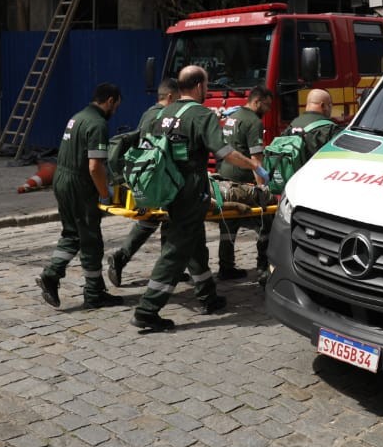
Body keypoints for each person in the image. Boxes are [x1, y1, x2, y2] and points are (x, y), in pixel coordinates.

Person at [131, 65, 267, 332]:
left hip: (168, 186)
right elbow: (225, 152)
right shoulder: (202, 115)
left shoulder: (164, 112)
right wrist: (254, 166)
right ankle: (147, 309)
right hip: (191, 190)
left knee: (194, 242)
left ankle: (208, 296)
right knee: (177, 249)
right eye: (207, 84)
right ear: (198, 86)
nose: (208, 89)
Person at [36, 82, 125, 310]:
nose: (115, 112)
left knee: (72, 234)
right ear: (110, 101)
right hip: (80, 185)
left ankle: (74, 283)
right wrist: (105, 194)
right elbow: (95, 167)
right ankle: (82, 289)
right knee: (90, 239)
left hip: (62, 179)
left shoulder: (77, 117)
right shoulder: (97, 124)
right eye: (116, 107)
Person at [259, 87, 339, 284]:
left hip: (290, 190)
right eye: (329, 106)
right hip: (316, 195)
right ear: (323, 106)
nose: (330, 110)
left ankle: (266, 269)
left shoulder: (292, 125)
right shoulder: (329, 129)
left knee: (281, 230)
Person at [106, 77, 179, 288]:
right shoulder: (165, 116)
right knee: (169, 220)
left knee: (151, 220)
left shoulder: (148, 112)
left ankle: (123, 257)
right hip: (160, 176)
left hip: (144, 174)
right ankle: (166, 268)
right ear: (171, 96)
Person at [215, 86, 275, 281]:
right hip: (243, 182)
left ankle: (226, 266)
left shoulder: (233, 117)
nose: (268, 110)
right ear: (257, 101)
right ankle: (263, 268)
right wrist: (262, 189)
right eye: (267, 105)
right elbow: (256, 161)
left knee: (228, 224)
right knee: (266, 222)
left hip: (225, 177)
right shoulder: (253, 122)